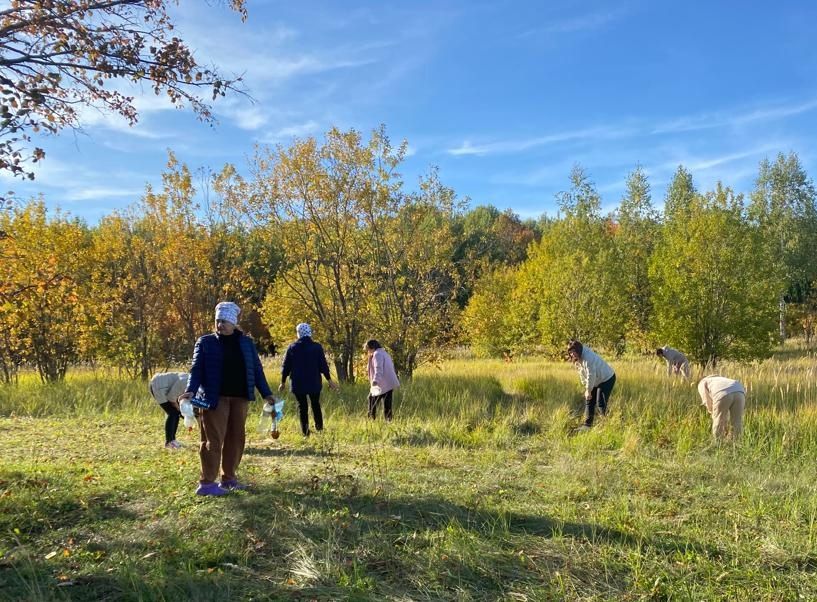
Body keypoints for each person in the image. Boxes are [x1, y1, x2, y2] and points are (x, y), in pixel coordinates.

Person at [180, 301, 275, 496]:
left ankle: (229, 478)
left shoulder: (247, 344)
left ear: (234, 322)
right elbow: (196, 369)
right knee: (213, 440)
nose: (220, 325)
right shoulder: (205, 342)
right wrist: (190, 389)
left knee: (236, 439)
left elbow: (257, 370)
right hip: (215, 398)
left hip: (240, 398)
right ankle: (207, 484)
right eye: (218, 321)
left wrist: (267, 393)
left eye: (224, 321)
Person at [279, 322, 337, 436]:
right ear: (309, 332)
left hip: (298, 382)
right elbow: (323, 365)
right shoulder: (317, 347)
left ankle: (305, 432)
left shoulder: (292, 347)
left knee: (302, 406)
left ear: (298, 333)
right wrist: (329, 380)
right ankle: (319, 428)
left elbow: (286, 366)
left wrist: (283, 382)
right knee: (316, 404)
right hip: (314, 381)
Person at [567, 339, 616, 431]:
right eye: (570, 352)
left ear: (579, 350)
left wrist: (589, 390)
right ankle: (587, 426)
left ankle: (607, 425)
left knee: (600, 402)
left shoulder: (588, 358)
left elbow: (591, 375)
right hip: (596, 379)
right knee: (589, 400)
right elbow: (582, 373)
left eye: (574, 352)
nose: (572, 354)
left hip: (607, 378)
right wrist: (587, 389)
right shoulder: (577, 358)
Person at [149, 371, 189, 450]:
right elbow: (171, 398)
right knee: (173, 413)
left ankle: (172, 440)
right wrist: (181, 411)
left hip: (165, 387)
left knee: (175, 413)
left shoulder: (192, 382)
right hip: (158, 385)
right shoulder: (185, 382)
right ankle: (169, 442)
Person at [697, 376, 745, 440]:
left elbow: (706, 400)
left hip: (722, 393)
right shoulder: (719, 378)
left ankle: (718, 444)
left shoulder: (702, 382)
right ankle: (736, 444)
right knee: (737, 421)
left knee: (718, 421)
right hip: (739, 391)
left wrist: (713, 413)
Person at [364, 339, 400, 421]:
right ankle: (388, 421)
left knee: (371, 400)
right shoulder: (384, 353)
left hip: (381, 383)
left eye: (368, 349)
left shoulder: (377, 354)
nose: (368, 351)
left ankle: (371, 420)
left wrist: (375, 380)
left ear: (371, 347)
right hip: (389, 383)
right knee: (387, 404)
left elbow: (378, 368)